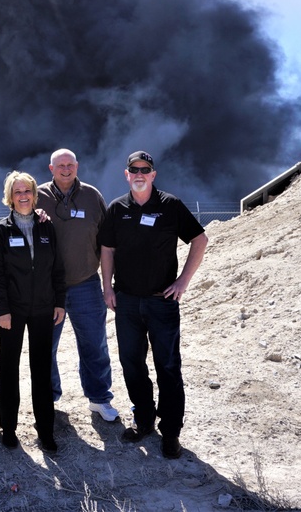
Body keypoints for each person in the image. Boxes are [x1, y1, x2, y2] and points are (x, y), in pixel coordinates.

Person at [99, 151, 208, 460]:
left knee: (168, 367)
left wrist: (183, 281)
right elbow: (107, 248)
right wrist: (107, 287)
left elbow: (200, 240)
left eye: (145, 169)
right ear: (127, 174)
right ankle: (145, 421)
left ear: (153, 174)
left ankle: (171, 432)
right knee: (132, 364)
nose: (140, 173)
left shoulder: (171, 206)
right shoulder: (117, 209)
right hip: (128, 302)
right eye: (134, 169)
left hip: (162, 302)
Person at [37, 149, 119, 423]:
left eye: (70, 164)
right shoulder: (37, 196)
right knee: (45, 345)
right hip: (49, 288)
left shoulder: (93, 196)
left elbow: (108, 242)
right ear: (51, 168)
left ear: (77, 166)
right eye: (60, 165)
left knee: (94, 344)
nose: (65, 169)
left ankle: (99, 398)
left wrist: (109, 284)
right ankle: (48, 397)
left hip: (86, 283)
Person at [0, 171, 66, 453]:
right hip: (13, 311)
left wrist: (60, 302)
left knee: (42, 369)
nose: (23, 196)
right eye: (17, 191)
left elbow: (57, 268)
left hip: (44, 308)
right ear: (10, 196)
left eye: (28, 191)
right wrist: (3, 310)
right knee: (9, 369)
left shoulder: (47, 227)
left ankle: (45, 430)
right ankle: (8, 428)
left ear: (34, 195)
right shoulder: (1, 230)